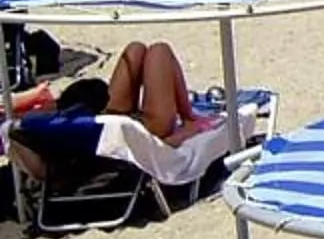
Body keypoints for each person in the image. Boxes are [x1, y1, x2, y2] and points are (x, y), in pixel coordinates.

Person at [6, 41, 214, 191]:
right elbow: (160, 147)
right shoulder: (114, 133)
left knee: (135, 50)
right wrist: (190, 130)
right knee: (159, 51)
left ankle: (188, 114)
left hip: (92, 131)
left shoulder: (36, 131)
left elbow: (17, 129)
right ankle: (189, 114)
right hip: (136, 132)